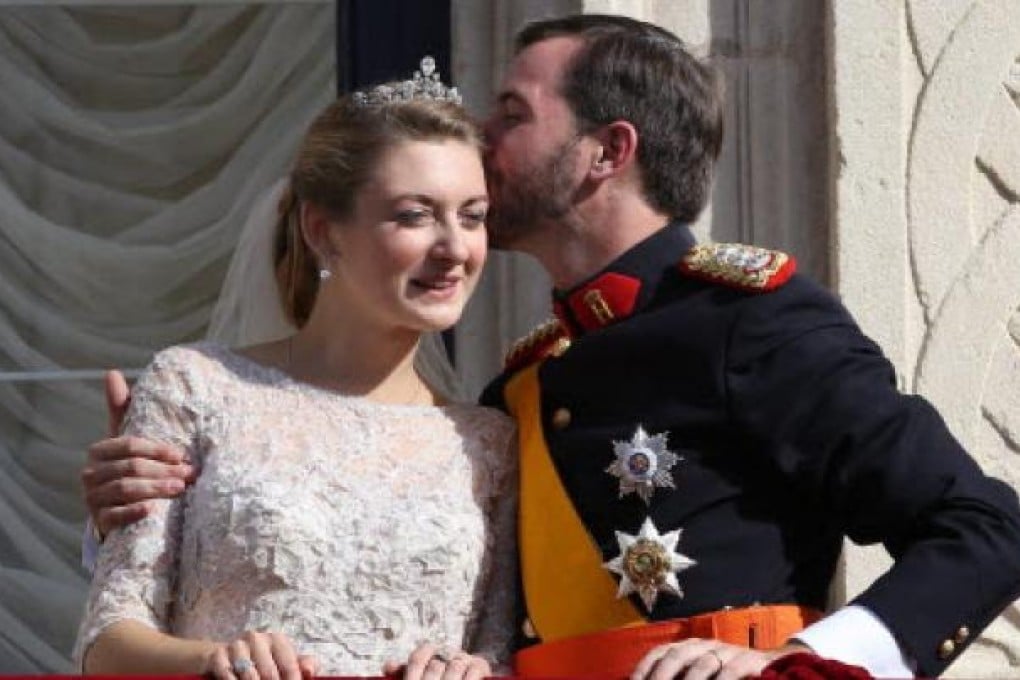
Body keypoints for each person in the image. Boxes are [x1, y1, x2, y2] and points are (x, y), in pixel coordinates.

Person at [82, 13, 1020, 680]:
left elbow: (986, 528)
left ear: (606, 151)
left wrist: (800, 665)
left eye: (510, 113)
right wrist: (168, 494)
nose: (479, 137)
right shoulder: (518, 388)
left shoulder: (752, 322)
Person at [74, 61, 517, 679]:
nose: (454, 248)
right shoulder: (195, 387)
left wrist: (473, 671)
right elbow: (105, 642)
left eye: (472, 216)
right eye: (414, 215)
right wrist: (216, 662)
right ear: (322, 231)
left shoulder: (490, 441)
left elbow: (502, 652)